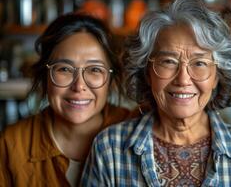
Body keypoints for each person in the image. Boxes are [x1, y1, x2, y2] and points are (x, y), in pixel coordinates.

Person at [81, 0, 231, 186]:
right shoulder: (110, 149)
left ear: (217, 76)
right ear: (147, 72)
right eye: (168, 62)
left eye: (199, 63)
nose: (183, 79)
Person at [0, 13, 132, 186]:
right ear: (45, 76)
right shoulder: (12, 144)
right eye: (64, 69)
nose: (79, 86)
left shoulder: (136, 133)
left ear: (111, 79)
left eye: (94, 69)